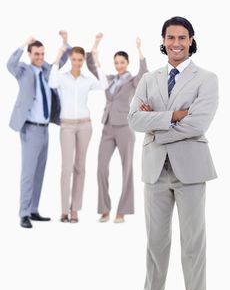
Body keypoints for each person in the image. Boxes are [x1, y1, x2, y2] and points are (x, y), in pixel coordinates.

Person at [124, 17, 218, 290]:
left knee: (193, 241)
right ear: (163, 41)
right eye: (170, 37)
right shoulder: (149, 79)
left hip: (190, 169)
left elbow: (198, 124)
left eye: (182, 37)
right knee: (155, 239)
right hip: (155, 170)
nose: (176, 43)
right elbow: (135, 120)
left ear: (191, 40)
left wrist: (157, 125)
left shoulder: (206, 78)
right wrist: (174, 116)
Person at [7, 31, 71, 228]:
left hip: (45, 128)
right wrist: (24, 42)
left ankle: (34, 210)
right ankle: (24, 214)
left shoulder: (46, 70)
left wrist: (65, 41)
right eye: (36, 54)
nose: (40, 57)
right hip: (30, 129)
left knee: (40, 171)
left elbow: (63, 58)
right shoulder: (23, 70)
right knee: (28, 172)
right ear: (29, 54)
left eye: (43, 54)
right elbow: (9, 64)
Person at [86, 33, 148, 223]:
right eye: (116, 62)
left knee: (126, 169)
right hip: (107, 127)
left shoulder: (133, 81)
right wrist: (95, 44)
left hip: (125, 128)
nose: (118, 65)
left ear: (127, 63)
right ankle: (104, 209)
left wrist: (139, 50)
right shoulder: (110, 79)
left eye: (121, 62)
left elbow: (144, 73)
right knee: (101, 168)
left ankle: (123, 210)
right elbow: (92, 67)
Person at [48, 46, 108, 223]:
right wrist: (58, 56)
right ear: (70, 59)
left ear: (83, 61)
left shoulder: (87, 80)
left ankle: (75, 209)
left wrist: (96, 60)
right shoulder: (62, 78)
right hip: (66, 125)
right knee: (66, 169)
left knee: (80, 168)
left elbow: (104, 84)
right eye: (74, 59)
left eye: (79, 60)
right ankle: (64, 210)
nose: (76, 63)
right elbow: (51, 82)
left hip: (84, 125)